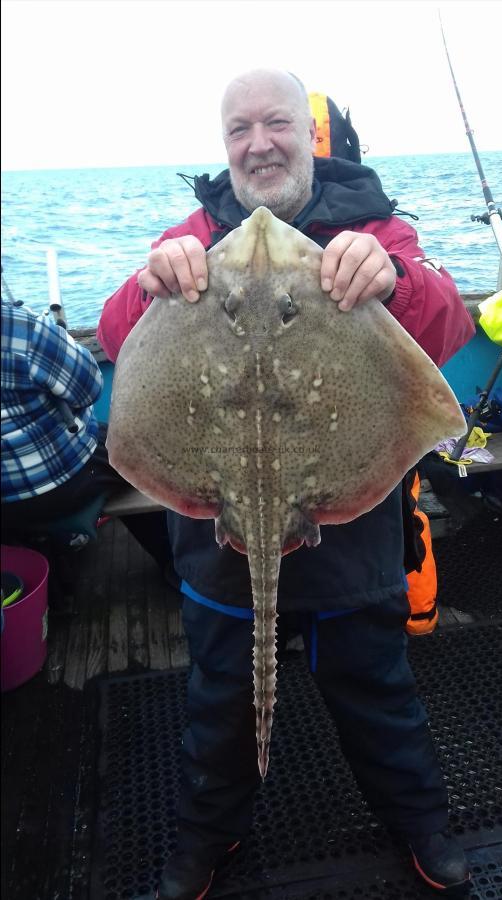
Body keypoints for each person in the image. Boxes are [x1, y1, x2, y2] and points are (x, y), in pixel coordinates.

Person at [98, 69, 476, 899]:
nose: (258, 143)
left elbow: (446, 321)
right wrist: (149, 280)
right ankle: (207, 837)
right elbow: (122, 338)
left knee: (377, 694)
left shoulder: (376, 228)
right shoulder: (192, 233)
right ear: (225, 145)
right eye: (240, 130)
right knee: (221, 704)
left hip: (352, 529)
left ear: (310, 136)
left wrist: (394, 279)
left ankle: (421, 824)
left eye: (276, 124)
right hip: (219, 524)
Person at [1, 298, 172, 579]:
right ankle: (170, 560)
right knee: (135, 458)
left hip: (6, 506)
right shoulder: (21, 327)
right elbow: (89, 387)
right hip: (62, 486)